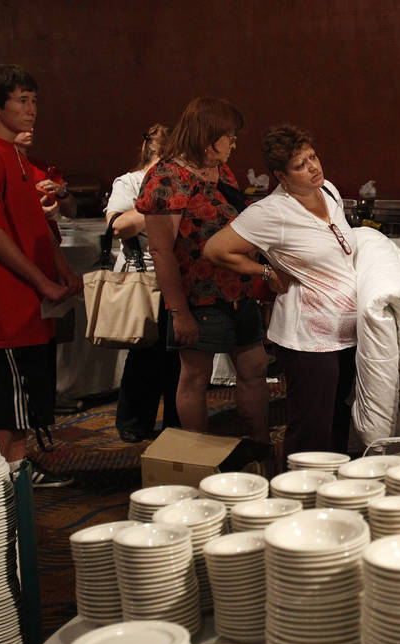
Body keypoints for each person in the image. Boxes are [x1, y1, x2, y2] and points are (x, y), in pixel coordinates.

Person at [204, 124, 356, 459]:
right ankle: (300, 498)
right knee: (311, 428)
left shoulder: (329, 191)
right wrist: (266, 270)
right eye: (300, 165)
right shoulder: (270, 212)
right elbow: (215, 249)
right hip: (309, 338)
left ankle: (335, 497)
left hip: (346, 331)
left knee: (339, 421)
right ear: (280, 175)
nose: (313, 167)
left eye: (313, 157)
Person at [135, 97, 269, 445]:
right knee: (196, 376)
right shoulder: (166, 178)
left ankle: (258, 444)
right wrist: (179, 313)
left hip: (237, 288)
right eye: (230, 136)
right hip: (198, 296)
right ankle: (199, 457)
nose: (235, 144)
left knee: (255, 367)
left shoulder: (220, 170)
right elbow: (161, 251)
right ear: (208, 138)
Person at [0, 64, 80, 486]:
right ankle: (6, 482)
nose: (32, 109)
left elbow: (37, 227)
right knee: (7, 403)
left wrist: (61, 269)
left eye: (35, 100)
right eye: (22, 100)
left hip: (29, 303)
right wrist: (42, 282)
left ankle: (17, 471)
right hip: (3, 303)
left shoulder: (17, 157)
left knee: (28, 397)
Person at [106, 124, 181, 442]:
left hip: (176, 276)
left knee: (179, 354)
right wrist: (157, 202)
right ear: (159, 154)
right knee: (144, 353)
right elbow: (117, 226)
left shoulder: (181, 182)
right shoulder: (131, 182)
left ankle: (177, 424)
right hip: (143, 278)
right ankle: (133, 422)